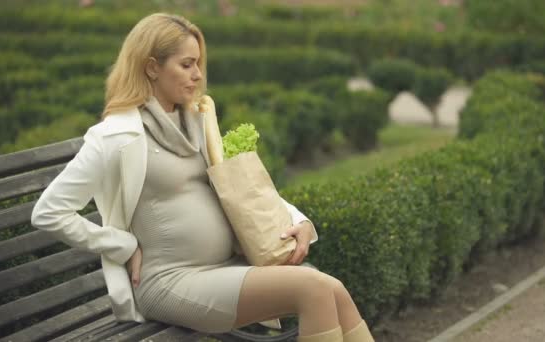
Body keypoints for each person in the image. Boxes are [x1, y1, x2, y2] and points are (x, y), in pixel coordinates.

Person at [30, 12, 374, 342]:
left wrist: (299, 221)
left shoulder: (196, 123)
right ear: (152, 67)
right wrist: (123, 245)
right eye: (186, 64)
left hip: (224, 268)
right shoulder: (116, 135)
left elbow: (235, 187)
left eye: (198, 63)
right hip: (170, 282)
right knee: (312, 289)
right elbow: (49, 211)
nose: (197, 74)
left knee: (331, 288)